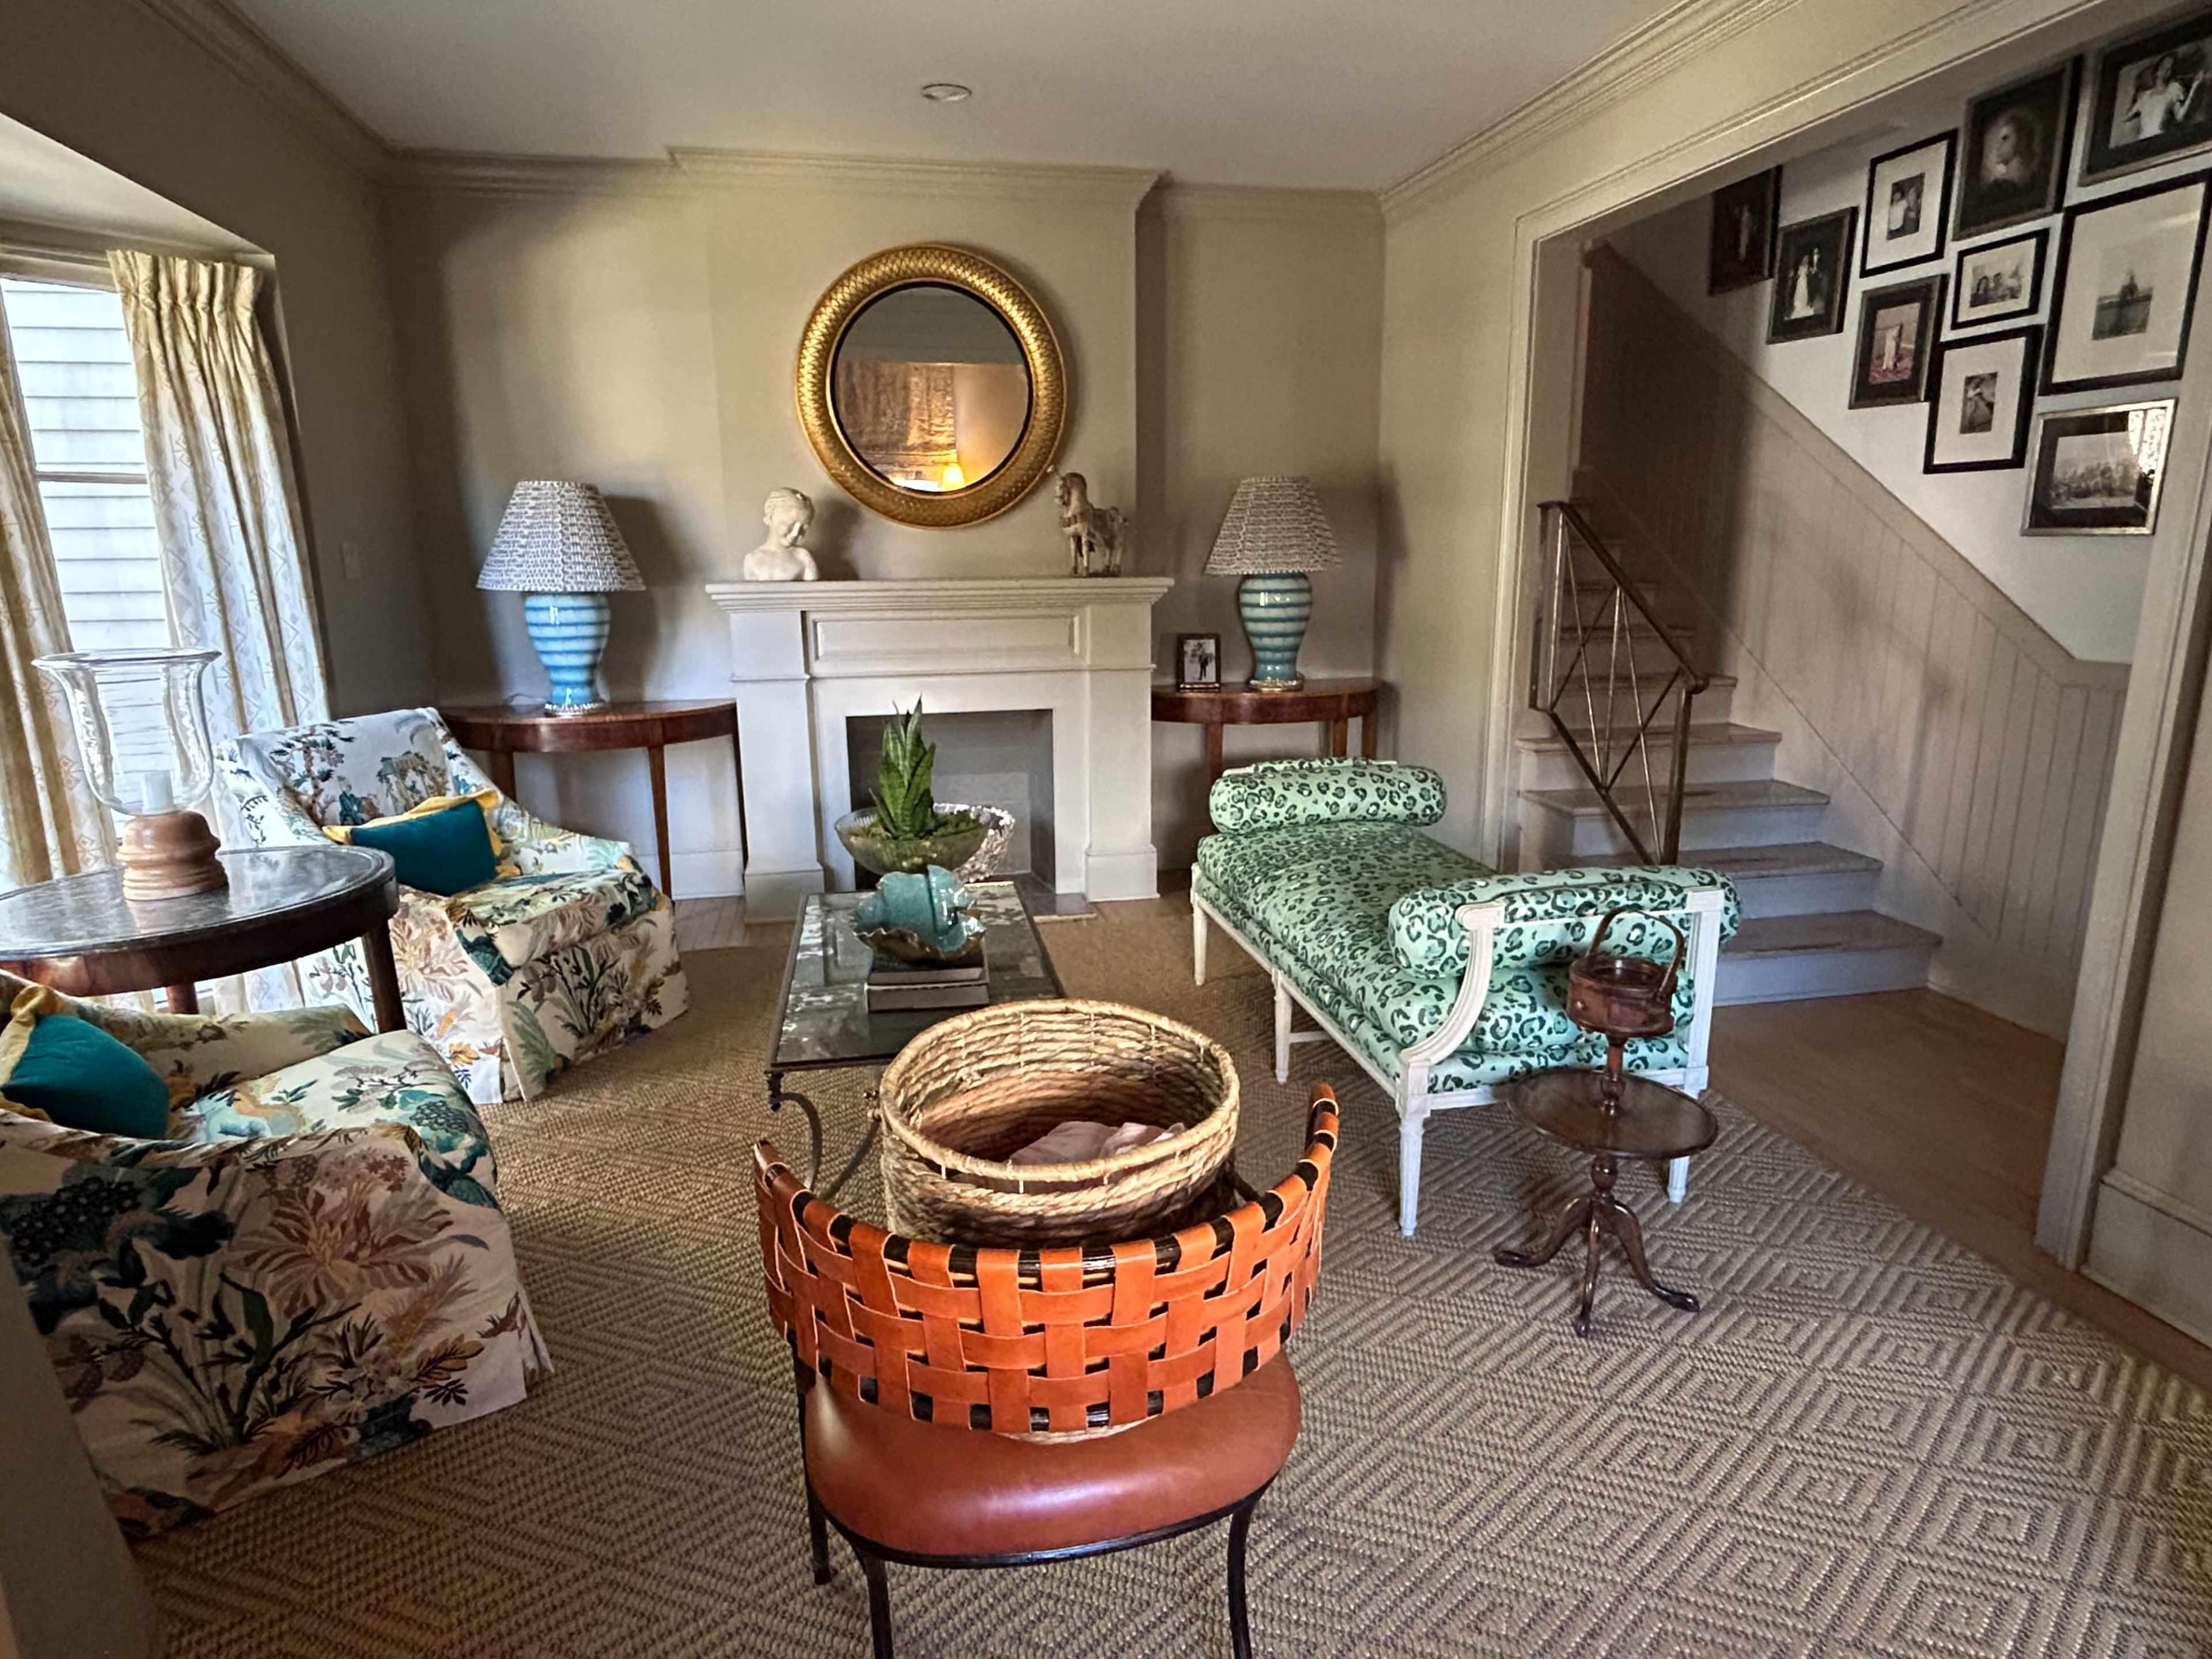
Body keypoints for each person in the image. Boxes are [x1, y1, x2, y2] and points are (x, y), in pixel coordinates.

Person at [742, 488, 820, 581]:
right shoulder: (752, 559)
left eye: (803, 528)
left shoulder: (803, 557)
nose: (796, 533)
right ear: (771, 518)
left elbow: (814, 593)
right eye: (789, 525)